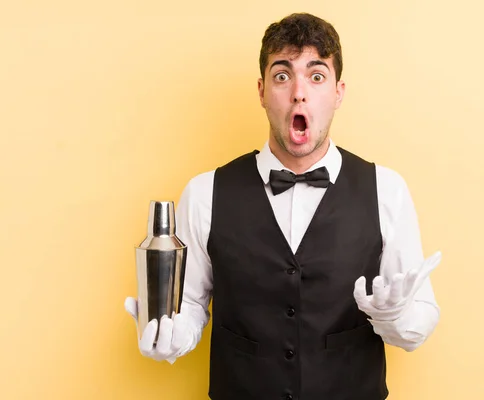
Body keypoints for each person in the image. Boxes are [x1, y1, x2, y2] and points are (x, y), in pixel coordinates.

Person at [125, 12, 441, 400]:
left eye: (317, 75)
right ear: (261, 90)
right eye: (282, 75)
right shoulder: (204, 193)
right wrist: (170, 338)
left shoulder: (387, 190)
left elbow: (422, 317)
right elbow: (190, 306)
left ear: (338, 92)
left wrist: (396, 316)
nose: (299, 93)